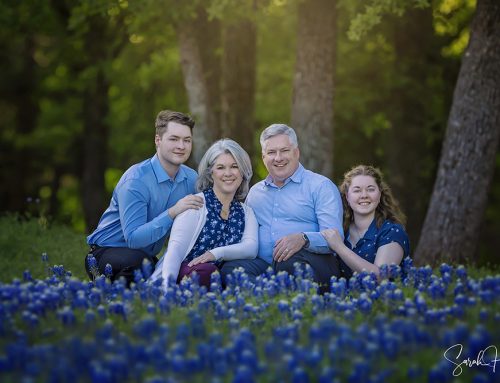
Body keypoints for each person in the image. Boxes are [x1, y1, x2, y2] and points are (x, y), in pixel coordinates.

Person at [85, 110, 204, 284]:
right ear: (158, 140)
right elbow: (133, 239)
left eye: (187, 140)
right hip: (105, 253)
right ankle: (113, 298)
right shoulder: (136, 180)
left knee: (172, 269)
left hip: (144, 257)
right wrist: (172, 212)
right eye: (174, 139)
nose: (181, 146)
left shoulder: (192, 178)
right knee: (140, 264)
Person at [219, 124, 344, 290]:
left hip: (310, 263)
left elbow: (335, 238)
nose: (278, 158)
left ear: (296, 153)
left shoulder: (320, 186)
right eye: (271, 152)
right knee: (231, 269)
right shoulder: (256, 193)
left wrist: (304, 239)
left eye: (284, 150)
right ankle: (269, 302)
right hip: (264, 265)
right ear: (264, 157)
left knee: (289, 262)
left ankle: (284, 303)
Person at [149, 139, 258, 290]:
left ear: (243, 172)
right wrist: (167, 290)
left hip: (218, 278)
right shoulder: (195, 204)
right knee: (207, 272)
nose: (228, 173)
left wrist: (215, 253)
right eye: (220, 167)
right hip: (186, 274)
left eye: (234, 166)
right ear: (210, 173)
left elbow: (251, 248)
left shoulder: (245, 212)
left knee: (237, 272)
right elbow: (175, 252)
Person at [321, 164, 410, 280]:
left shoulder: (391, 232)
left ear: (379, 194)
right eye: (357, 190)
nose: (364, 195)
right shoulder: (342, 230)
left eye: (370, 189)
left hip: (385, 298)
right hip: (345, 297)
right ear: (347, 196)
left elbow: (380, 276)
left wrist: (340, 247)